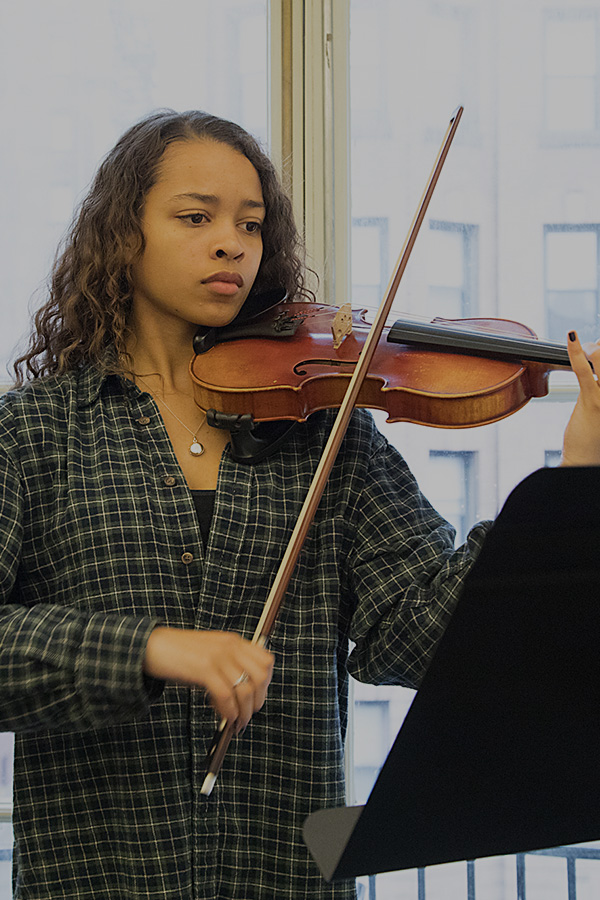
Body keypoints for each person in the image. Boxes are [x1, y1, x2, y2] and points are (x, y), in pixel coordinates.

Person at [0, 109, 599, 900]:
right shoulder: (33, 433)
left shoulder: (326, 430)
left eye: (250, 224)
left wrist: (579, 473)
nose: (231, 242)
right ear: (124, 233)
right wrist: (153, 648)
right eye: (195, 216)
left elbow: (422, 634)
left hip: (283, 875)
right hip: (100, 876)